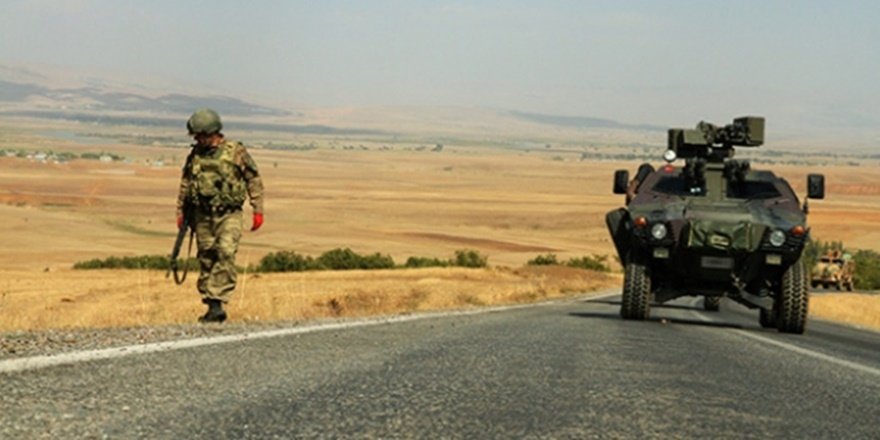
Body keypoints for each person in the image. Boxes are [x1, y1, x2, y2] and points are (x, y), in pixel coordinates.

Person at [176, 108, 264, 323]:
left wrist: (257, 209)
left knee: (225, 252)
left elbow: (253, 179)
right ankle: (211, 305)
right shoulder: (195, 155)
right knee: (207, 256)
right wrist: (181, 211)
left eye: (200, 135)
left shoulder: (236, 152)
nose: (197, 139)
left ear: (212, 132)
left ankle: (217, 301)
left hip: (229, 214)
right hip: (202, 215)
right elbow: (186, 183)